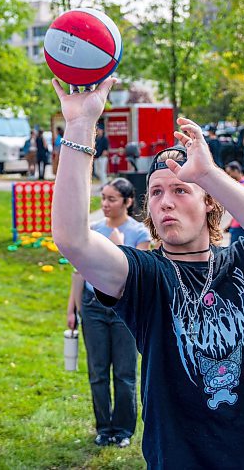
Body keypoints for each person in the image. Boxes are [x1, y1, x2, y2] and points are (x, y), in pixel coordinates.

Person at [52, 77, 244, 469]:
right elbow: (72, 239)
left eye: (181, 189)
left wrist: (208, 175)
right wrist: (81, 124)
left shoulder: (242, 265)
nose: (166, 201)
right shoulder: (146, 277)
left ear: (209, 205)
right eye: (156, 192)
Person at [66, 177, 151, 448]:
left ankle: (123, 429)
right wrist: (72, 308)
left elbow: (135, 276)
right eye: (103, 198)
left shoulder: (139, 233)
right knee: (98, 372)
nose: (105, 204)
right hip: (93, 308)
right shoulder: (93, 231)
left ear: (127, 202)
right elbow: (79, 271)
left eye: (111, 199)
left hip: (124, 310)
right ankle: (104, 428)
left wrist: (118, 244)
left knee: (125, 373)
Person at [224, 161, 244, 243]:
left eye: (229, 173)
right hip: (241, 225)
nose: (228, 176)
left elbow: (240, 208)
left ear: (236, 171)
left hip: (240, 226)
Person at [94, 120, 109, 185]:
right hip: (97, 158)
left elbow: (106, 149)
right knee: (97, 172)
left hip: (102, 158)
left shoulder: (105, 139)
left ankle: (104, 185)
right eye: (97, 130)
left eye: (99, 130)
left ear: (102, 131)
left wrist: (102, 155)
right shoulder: (96, 139)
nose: (98, 131)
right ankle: (104, 183)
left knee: (102, 172)